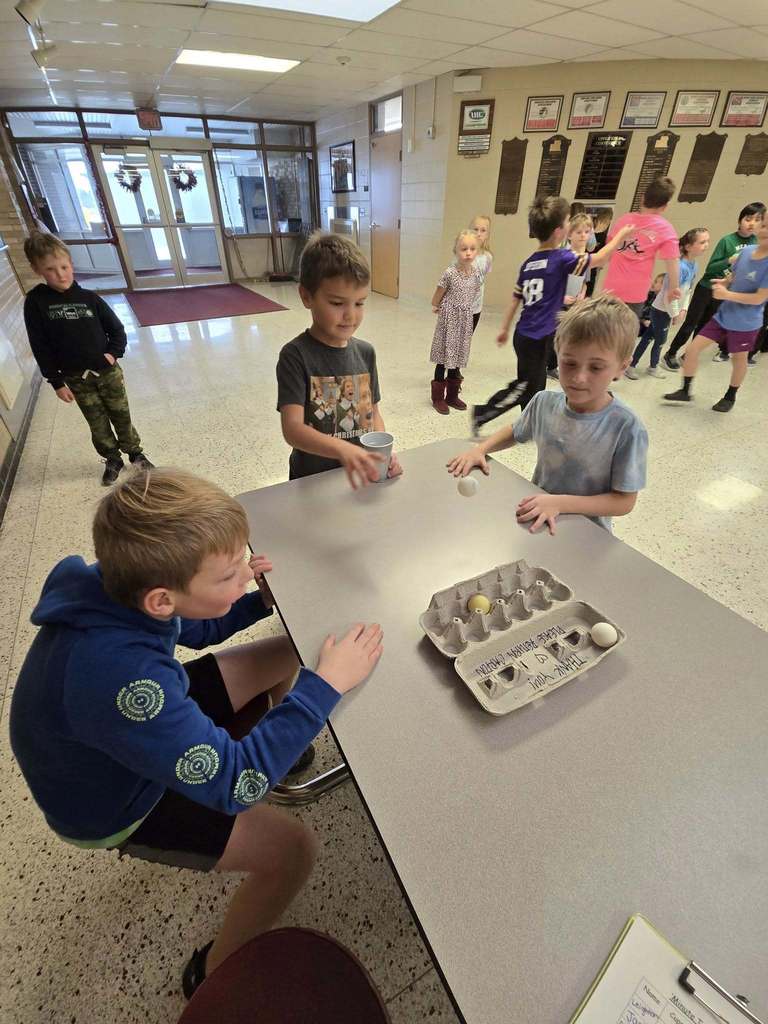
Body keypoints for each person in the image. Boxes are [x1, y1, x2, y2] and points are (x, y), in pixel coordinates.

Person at [9, 468, 384, 998]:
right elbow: (237, 786)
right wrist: (326, 685)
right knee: (294, 849)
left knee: (288, 650)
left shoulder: (120, 585)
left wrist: (255, 602)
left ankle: (284, 753)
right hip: (116, 800)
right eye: (230, 575)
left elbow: (192, 624)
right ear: (160, 597)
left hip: (134, 721)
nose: (244, 578)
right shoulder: (125, 678)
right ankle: (215, 973)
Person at [452, 295, 647, 534]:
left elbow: (624, 501)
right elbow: (516, 430)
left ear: (621, 367)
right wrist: (481, 449)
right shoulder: (544, 402)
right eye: (569, 363)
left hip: (586, 532)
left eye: (596, 367)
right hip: (539, 515)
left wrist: (560, 503)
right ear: (557, 355)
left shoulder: (626, 427)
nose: (579, 377)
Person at [470, 196, 633, 434]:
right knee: (526, 385)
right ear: (559, 231)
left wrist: (505, 329)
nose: (570, 225)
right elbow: (601, 258)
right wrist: (621, 235)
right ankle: (484, 412)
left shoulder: (529, 263)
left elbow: (516, 299)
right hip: (535, 336)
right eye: (568, 221)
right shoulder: (562, 259)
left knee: (535, 384)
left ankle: (534, 421)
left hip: (527, 334)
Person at [22, 232, 153, 486]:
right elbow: (40, 345)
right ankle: (112, 458)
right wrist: (56, 381)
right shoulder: (36, 303)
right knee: (97, 421)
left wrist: (112, 354)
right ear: (37, 270)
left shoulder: (89, 298)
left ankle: (135, 453)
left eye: (64, 267)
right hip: (76, 378)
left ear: (71, 264)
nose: (61, 274)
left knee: (121, 415)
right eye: (51, 269)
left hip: (108, 374)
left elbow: (117, 330)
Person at [276, 232, 402, 488]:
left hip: (357, 476)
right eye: (337, 303)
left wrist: (382, 455)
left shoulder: (366, 353)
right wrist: (343, 449)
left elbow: (373, 413)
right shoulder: (295, 356)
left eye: (359, 303)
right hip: (313, 480)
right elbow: (293, 429)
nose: (350, 315)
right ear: (306, 296)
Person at [663, 210, 768, 413]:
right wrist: (725, 282)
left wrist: (726, 295)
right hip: (723, 316)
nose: (763, 230)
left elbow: (759, 298)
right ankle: (685, 390)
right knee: (693, 349)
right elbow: (734, 276)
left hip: (746, 322)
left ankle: (730, 396)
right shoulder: (746, 252)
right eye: (764, 225)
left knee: (739, 360)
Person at [625, 228, 711, 379]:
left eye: (707, 241)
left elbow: (688, 290)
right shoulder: (680, 267)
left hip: (668, 310)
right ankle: (649, 367)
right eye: (702, 242)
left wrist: (684, 309)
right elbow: (668, 296)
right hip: (661, 310)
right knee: (660, 341)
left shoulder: (694, 265)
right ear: (688, 246)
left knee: (648, 338)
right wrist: (675, 314)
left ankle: (635, 365)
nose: (706, 245)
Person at [601, 175, 681, 320]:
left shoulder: (623, 220)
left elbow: (608, 252)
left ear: (642, 198)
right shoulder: (665, 229)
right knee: (624, 337)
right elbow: (673, 262)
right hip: (636, 291)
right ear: (664, 207)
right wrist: (673, 287)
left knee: (602, 333)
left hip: (612, 286)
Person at [429, 228, 485, 414]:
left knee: (458, 357)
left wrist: (466, 310)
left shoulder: (476, 273)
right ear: (456, 251)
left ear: (477, 250)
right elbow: (438, 294)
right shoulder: (450, 273)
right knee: (444, 358)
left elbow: (475, 292)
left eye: (472, 249)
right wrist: (438, 305)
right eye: (463, 249)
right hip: (449, 320)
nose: (468, 253)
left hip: (464, 320)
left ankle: (452, 395)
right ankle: (438, 398)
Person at [548, 213, 593, 381]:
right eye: (579, 232)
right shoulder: (563, 256)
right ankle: (550, 365)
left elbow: (584, 281)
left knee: (568, 335)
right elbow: (553, 281)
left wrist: (582, 293)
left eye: (586, 232)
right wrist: (562, 297)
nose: (583, 235)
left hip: (574, 303)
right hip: (559, 301)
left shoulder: (587, 258)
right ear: (570, 234)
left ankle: (562, 364)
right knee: (554, 335)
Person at [467, 214, 493, 335]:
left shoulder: (488, 257)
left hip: (476, 308)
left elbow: (483, 277)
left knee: (466, 341)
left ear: (487, 235)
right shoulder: (463, 255)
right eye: (475, 229)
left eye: (483, 230)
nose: (478, 233)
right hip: (460, 308)